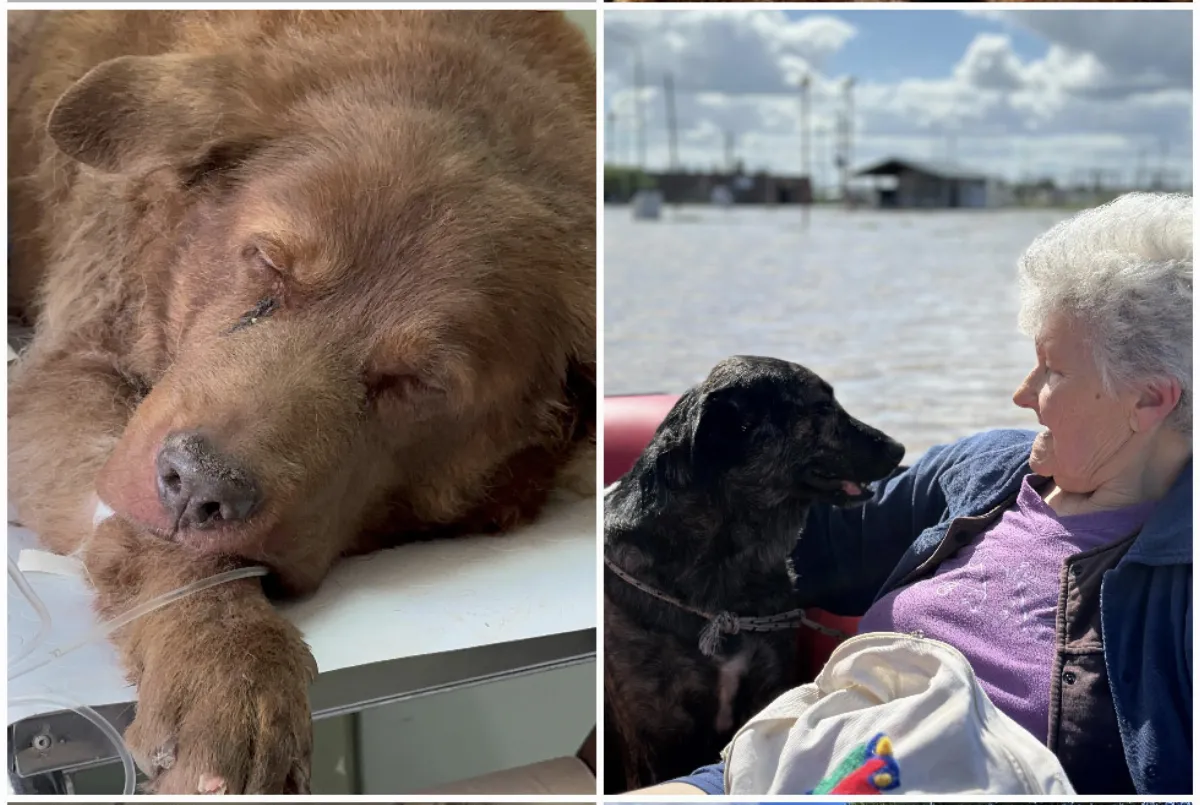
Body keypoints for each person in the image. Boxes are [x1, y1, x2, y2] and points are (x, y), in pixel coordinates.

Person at [634, 192, 1192, 796]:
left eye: (1053, 369)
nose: (1023, 393)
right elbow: (802, 539)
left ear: (1148, 400)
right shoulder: (985, 470)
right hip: (786, 764)